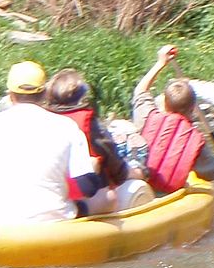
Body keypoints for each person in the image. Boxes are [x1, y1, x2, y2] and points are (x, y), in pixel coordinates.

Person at [0, 61, 117, 223]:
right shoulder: (67, 126)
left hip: (2, 223)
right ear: (45, 93)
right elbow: (87, 188)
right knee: (108, 198)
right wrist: (94, 169)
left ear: (11, 95)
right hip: (56, 221)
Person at [132, 45, 214, 194]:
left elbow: (140, 91)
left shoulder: (147, 116)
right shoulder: (195, 139)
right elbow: (208, 172)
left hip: (137, 187)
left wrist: (160, 63)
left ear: (164, 103)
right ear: (193, 108)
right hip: (165, 197)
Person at [45, 69, 151, 210]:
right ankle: (138, 164)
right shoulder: (88, 124)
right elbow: (116, 169)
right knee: (135, 171)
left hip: (52, 193)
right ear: (82, 96)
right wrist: (137, 172)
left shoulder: (43, 119)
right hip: (84, 196)